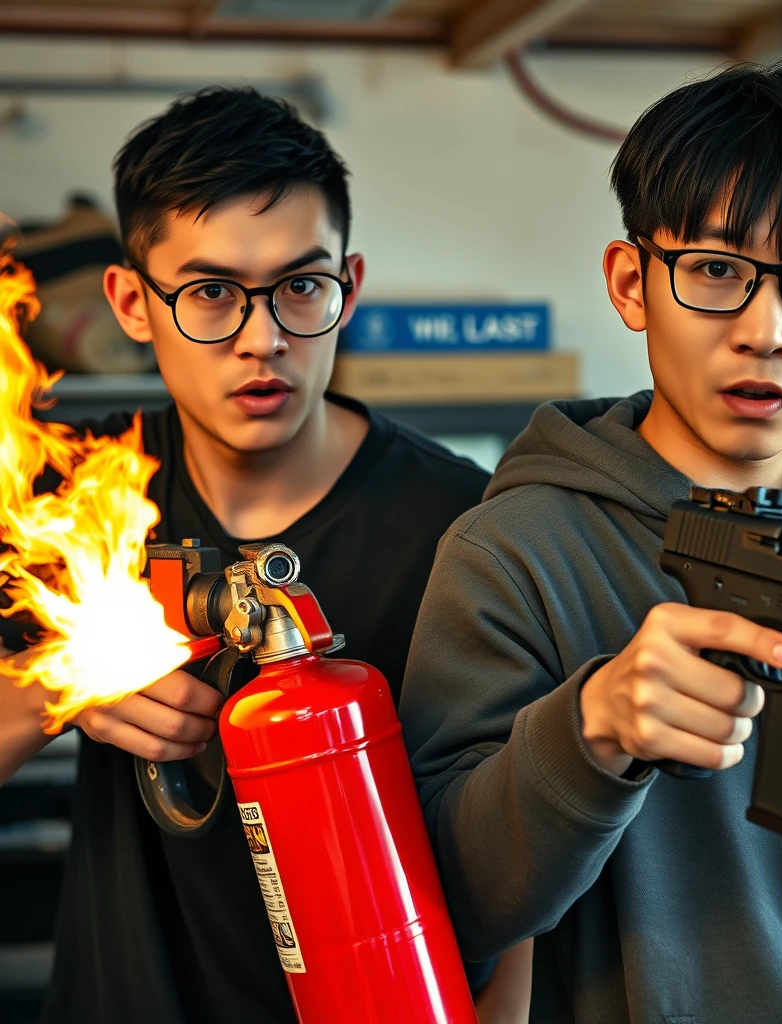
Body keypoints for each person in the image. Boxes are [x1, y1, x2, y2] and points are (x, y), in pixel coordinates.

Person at [399, 60, 782, 1023]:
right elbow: (449, 907)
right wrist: (590, 732)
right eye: (717, 271)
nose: (766, 330)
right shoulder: (511, 557)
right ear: (631, 282)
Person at [0, 87, 529, 1023]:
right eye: (209, 292)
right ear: (131, 300)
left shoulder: (462, 525)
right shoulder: (78, 498)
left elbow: (521, 860)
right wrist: (68, 681)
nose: (262, 337)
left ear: (349, 287)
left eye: (301, 286)